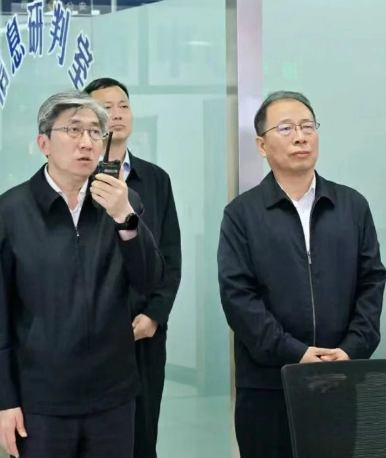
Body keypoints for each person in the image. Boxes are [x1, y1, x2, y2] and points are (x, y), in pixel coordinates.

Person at [0, 90, 164, 458]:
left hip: (112, 395)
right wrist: (4, 402)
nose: (86, 142)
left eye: (95, 132)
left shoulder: (121, 202)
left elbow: (150, 280)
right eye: (73, 130)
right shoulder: (8, 212)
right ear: (43, 143)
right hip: (41, 398)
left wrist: (125, 218)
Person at [218, 90, 386, 458]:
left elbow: (372, 283)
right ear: (262, 145)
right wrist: (295, 352)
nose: (300, 136)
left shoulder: (351, 206)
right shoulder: (242, 214)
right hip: (267, 385)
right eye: (286, 128)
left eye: (308, 126)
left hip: (340, 377)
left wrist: (350, 350)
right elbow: (238, 297)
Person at [86, 77, 182, 458]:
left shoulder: (155, 179)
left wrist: (155, 315)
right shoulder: (76, 179)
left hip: (143, 331)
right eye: (106, 107)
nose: (117, 114)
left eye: (123, 105)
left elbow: (170, 255)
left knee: (142, 436)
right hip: (90, 334)